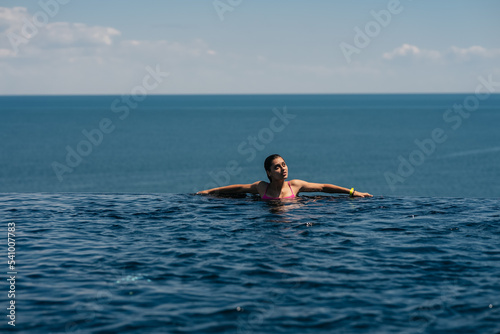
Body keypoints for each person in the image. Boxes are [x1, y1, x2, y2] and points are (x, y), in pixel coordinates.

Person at [197, 154, 373, 199]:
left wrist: (353, 192)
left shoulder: (294, 185)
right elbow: (236, 188)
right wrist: (209, 191)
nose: (283, 169)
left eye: (284, 164)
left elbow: (323, 187)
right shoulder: (261, 187)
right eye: (277, 167)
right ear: (269, 172)